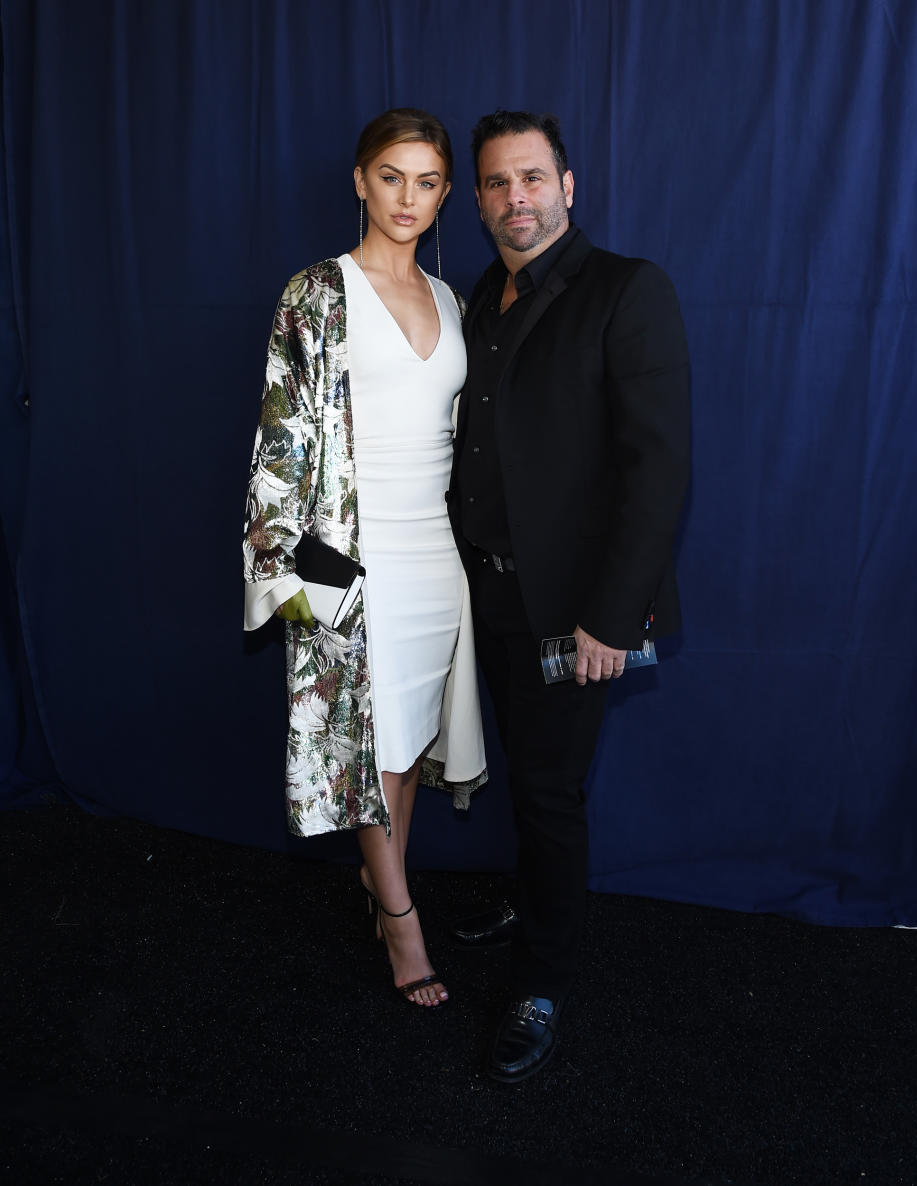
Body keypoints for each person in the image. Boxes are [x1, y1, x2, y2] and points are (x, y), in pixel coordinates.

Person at [448, 110, 690, 1078]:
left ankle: (543, 976)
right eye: (499, 183)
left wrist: (610, 616)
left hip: (574, 610)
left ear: (569, 185)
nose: (517, 199)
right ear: (478, 199)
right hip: (486, 596)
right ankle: (533, 895)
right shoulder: (480, 296)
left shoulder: (628, 289)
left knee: (549, 793)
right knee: (518, 770)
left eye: (533, 179)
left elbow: (657, 468)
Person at [243, 109, 485, 1008]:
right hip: (350, 554)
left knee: (407, 743)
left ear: (445, 193)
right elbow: (280, 439)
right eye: (392, 177)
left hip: (436, 554)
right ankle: (402, 922)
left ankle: (381, 886)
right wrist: (281, 572)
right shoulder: (315, 293)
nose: (407, 199)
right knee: (371, 748)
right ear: (359, 180)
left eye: (426, 182)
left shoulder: (453, 298)